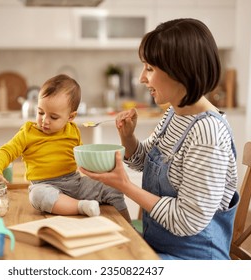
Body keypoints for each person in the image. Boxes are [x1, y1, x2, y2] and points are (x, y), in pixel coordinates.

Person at [79, 18, 239, 260]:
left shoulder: (208, 134)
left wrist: (125, 187)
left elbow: (187, 221)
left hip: (193, 259)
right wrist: (128, 138)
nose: (142, 78)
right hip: (157, 246)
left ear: (180, 71)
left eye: (150, 68)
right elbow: (145, 163)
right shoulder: (176, 112)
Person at [0, 74, 131, 222]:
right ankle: (80, 207)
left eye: (53, 117)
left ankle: (129, 227)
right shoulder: (28, 132)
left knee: (113, 187)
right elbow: (6, 151)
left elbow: (82, 158)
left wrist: (101, 170)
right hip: (44, 186)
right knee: (36, 196)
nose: (44, 120)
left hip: (75, 183)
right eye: (40, 112)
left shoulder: (73, 130)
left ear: (70, 117)